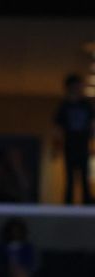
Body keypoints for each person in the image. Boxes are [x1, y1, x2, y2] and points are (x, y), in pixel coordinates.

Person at [54, 74, 94, 204]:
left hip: (83, 145)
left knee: (84, 176)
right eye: (75, 86)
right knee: (70, 177)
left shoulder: (86, 105)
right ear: (69, 87)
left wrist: (92, 138)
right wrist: (57, 145)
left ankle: (86, 201)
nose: (78, 88)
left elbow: (92, 123)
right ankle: (68, 203)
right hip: (70, 146)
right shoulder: (64, 106)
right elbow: (58, 128)